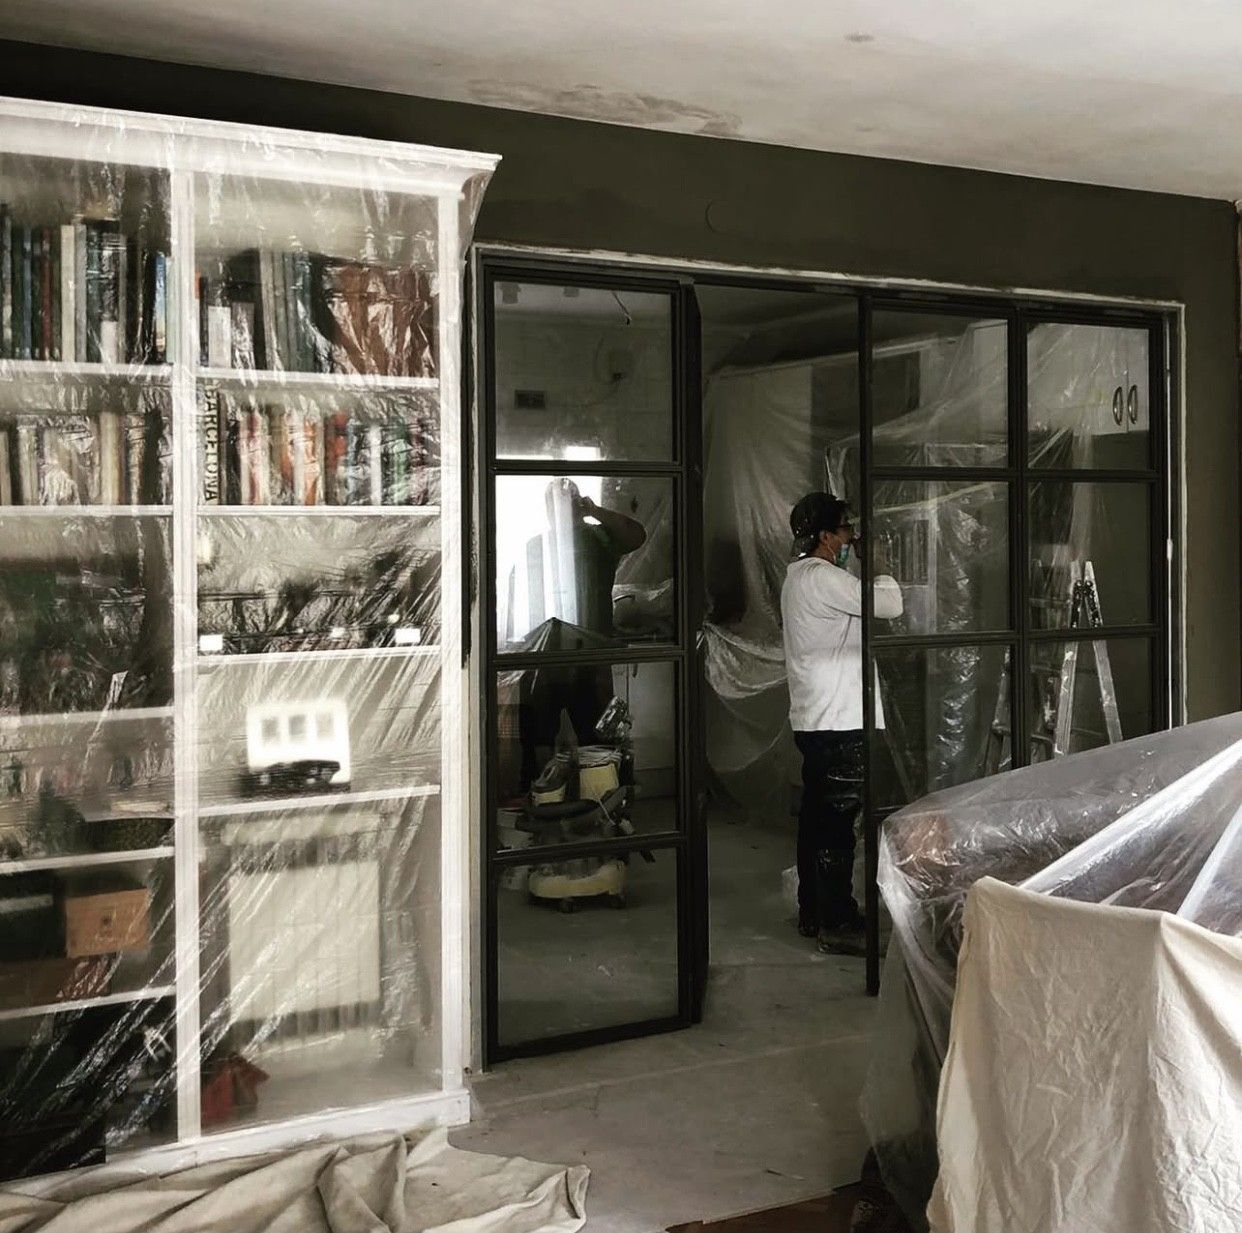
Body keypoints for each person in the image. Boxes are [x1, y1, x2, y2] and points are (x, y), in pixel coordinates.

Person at [781, 491, 903, 955]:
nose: (852, 536)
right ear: (827, 537)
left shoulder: (800, 579)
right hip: (840, 721)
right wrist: (880, 562)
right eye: (846, 530)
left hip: (816, 718)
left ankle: (813, 911)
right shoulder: (821, 578)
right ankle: (837, 921)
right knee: (836, 825)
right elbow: (889, 604)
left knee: (815, 820)